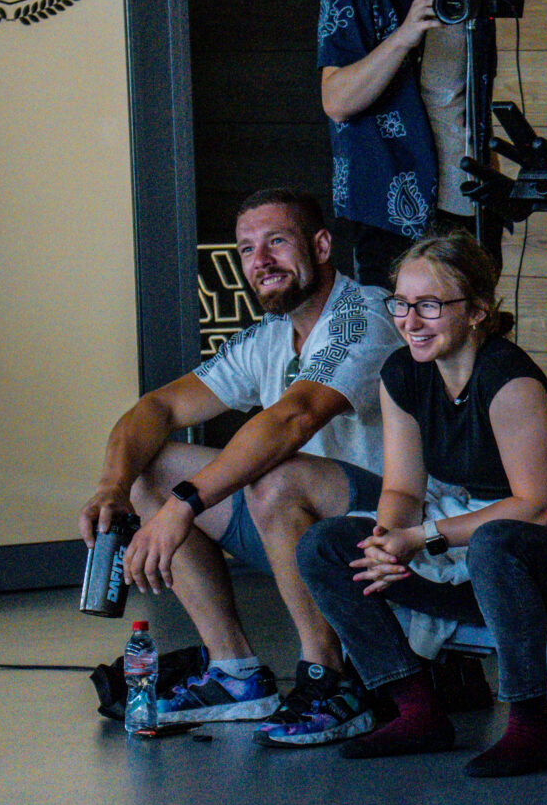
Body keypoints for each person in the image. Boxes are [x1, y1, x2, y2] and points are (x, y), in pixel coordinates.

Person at [78, 187, 396, 735]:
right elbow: (158, 407)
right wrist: (112, 485)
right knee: (151, 469)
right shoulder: (270, 336)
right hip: (297, 523)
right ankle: (234, 672)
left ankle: (329, 677)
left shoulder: (363, 315)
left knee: (277, 477)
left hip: (386, 525)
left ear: (321, 247)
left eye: (277, 242)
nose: (261, 261)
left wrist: (184, 506)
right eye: (247, 249)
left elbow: (295, 417)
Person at [294, 226, 547, 776]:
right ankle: (416, 709)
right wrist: (385, 542)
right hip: (465, 537)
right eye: (401, 304)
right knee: (326, 546)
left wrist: (422, 537)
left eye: (429, 305)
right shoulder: (403, 372)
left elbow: (538, 507)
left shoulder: (508, 377)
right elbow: (403, 490)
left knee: (495, 544)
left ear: (476, 312)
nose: (410, 320)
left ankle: (529, 728)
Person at [317, 0, 497, 288]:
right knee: (390, 327)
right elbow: (336, 101)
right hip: (387, 208)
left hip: (469, 202)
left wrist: (494, 184)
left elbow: (465, 100)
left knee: (470, 322)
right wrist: (403, 36)